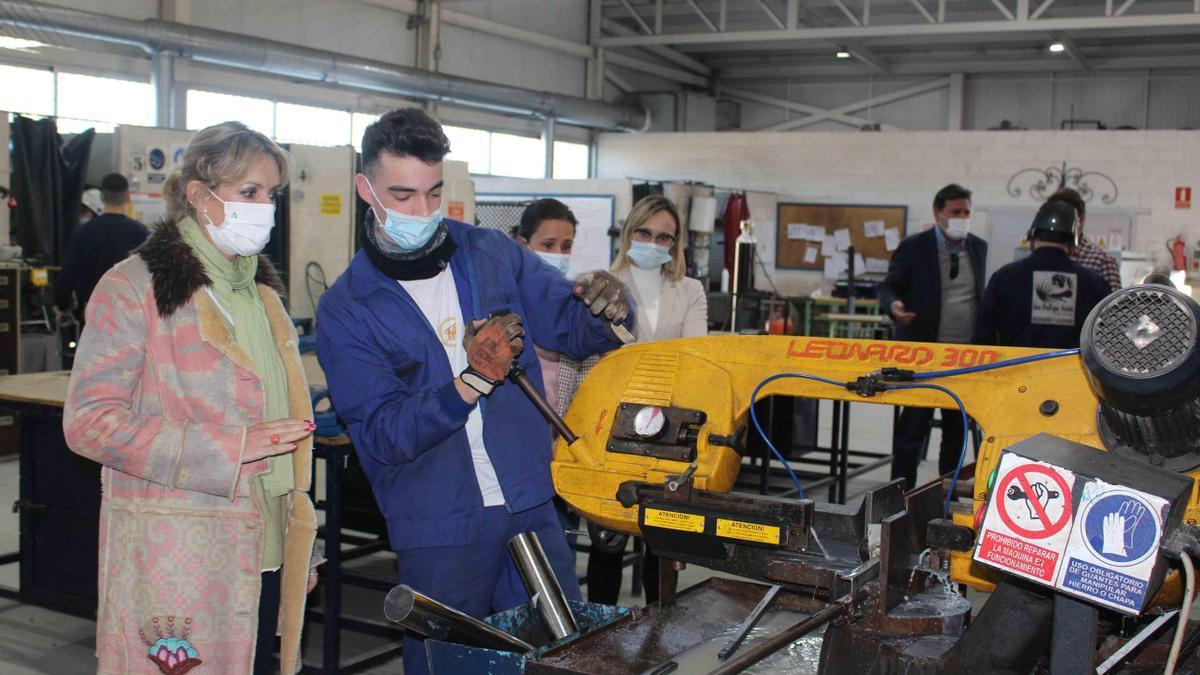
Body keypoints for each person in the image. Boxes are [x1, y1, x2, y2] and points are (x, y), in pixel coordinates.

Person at [315, 108, 631, 675]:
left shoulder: (490, 253)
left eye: (434, 194)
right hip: (439, 519)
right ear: (366, 189)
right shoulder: (347, 308)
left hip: (527, 498)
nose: (423, 212)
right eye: (403, 195)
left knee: (561, 657)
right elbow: (384, 435)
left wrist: (608, 304)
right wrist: (470, 382)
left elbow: (572, 326)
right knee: (450, 665)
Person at [62, 122, 319, 675]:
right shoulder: (134, 287)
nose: (265, 208)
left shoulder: (261, 294)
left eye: (271, 194)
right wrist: (228, 448)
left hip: (265, 544)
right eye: (249, 192)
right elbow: (89, 423)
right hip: (180, 552)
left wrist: (303, 539)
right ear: (200, 195)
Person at [587, 194, 709, 607]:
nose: (653, 243)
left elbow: (694, 354)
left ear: (675, 244)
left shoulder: (689, 290)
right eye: (644, 233)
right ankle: (599, 634)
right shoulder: (603, 282)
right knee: (607, 539)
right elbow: (598, 355)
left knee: (661, 539)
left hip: (672, 425)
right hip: (612, 423)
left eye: (664, 237)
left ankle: (660, 636)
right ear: (629, 232)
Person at [877, 183, 988, 491]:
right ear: (938, 213)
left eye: (966, 212)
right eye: (955, 212)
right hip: (923, 358)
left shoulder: (978, 248)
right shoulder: (916, 247)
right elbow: (888, 287)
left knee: (955, 434)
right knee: (912, 432)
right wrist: (895, 307)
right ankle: (899, 494)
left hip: (963, 359)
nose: (962, 218)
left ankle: (945, 495)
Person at [973, 200, 1110, 349]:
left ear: (1031, 240)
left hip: (1014, 369)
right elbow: (1106, 341)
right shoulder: (1095, 284)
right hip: (1071, 372)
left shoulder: (1003, 278)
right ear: (1072, 246)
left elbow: (982, 336)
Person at [55, 173, 149, 322]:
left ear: (102, 197)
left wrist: (63, 306)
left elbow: (68, 274)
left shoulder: (84, 233)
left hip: (94, 310)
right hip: (131, 313)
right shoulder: (141, 233)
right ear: (127, 197)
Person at [1047, 187, 1122, 293]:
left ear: (1081, 219)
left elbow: (1114, 306)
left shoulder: (1103, 262)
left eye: (1066, 218)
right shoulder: (1042, 256)